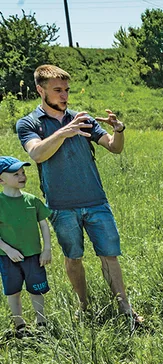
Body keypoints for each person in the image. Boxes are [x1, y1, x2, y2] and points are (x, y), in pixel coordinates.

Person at [16, 64, 142, 329]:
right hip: (61, 206)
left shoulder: (82, 118)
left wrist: (118, 131)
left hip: (96, 201)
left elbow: (113, 147)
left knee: (109, 255)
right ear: (41, 90)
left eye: (67, 90)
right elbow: (37, 154)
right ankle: (84, 307)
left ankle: (125, 310)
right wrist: (64, 131)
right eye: (58, 90)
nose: (64, 96)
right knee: (73, 258)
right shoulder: (29, 123)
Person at [0, 156, 52, 336]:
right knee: (13, 291)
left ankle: (41, 322)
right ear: (1, 180)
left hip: (34, 256)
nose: (22, 176)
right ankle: (19, 325)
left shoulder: (32, 200)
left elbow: (44, 225)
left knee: (36, 289)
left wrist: (47, 249)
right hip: (7, 257)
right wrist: (7, 249)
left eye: (23, 172)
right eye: (16, 174)